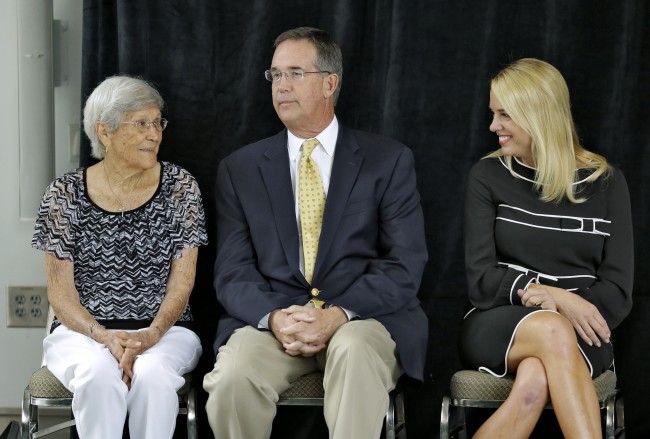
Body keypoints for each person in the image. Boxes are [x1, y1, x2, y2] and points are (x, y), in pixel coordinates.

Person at [203, 27, 428, 439]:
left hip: (361, 319)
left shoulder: (388, 160)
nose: (282, 86)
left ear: (330, 83)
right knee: (232, 375)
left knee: (355, 350)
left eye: (295, 73)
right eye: (275, 76)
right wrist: (274, 318)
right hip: (277, 324)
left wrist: (338, 315)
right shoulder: (240, 169)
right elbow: (233, 272)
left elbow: (404, 263)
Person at [460, 58, 633, 438]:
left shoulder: (606, 182)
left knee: (533, 384)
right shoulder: (487, 176)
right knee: (553, 330)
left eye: (505, 115)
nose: (493, 126)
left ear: (538, 114)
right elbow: (482, 279)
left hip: (587, 329)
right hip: (499, 322)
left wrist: (565, 304)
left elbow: (618, 291)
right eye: (493, 113)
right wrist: (554, 297)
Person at [31, 76, 208, 439]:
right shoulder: (63, 195)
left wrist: (151, 334)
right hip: (82, 333)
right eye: (141, 123)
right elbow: (60, 294)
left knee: (154, 376)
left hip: (167, 330)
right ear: (105, 133)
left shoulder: (180, 186)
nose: (155, 133)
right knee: (98, 374)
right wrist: (103, 336)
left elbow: (183, 281)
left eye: (158, 122)